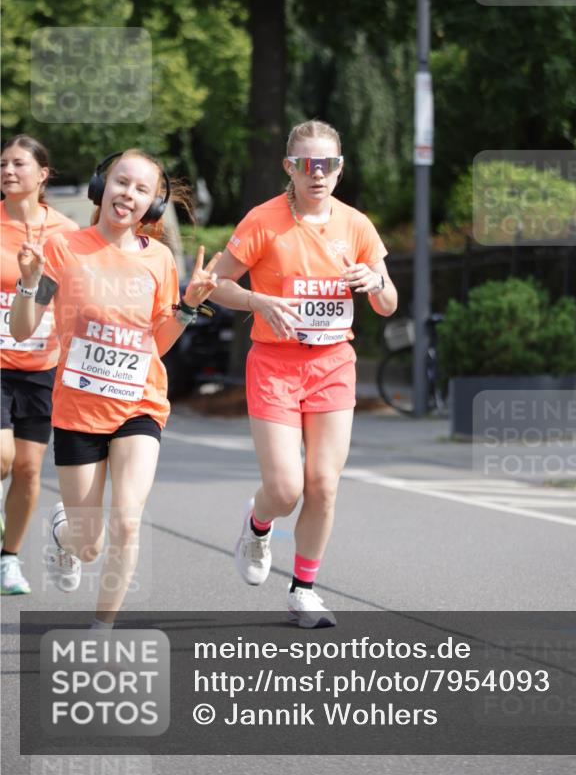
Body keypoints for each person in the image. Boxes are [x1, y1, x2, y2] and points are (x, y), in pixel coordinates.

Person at [10, 149, 220, 627]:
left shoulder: (161, 260)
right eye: (122, 182)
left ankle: (101, 629)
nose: (129, 194)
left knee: (127, 521)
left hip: (139, 404)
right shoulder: (64, 250)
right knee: (90, 545)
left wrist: (187, 305)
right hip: (77, 410)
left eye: (142, 189)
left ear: (153, 205)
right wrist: (28, 282)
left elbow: (158, 343)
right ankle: (65, 534)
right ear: (102, 185)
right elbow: (24, 329)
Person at [210, 120, 398, 628]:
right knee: (287, 487)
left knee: (323, 483)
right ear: (288, 167)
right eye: (307, 165)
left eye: (328, 165)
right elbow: (213, 284)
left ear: (340, 169)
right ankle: (259, 523)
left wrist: (375, 281)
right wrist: (256, 299)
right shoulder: (264, 220)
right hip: (274, 363)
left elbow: (388, 303)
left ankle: (304, 590)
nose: (318, 175)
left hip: (333, 363)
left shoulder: (356, 225)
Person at [0, 135, 78, 595]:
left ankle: (8, 560)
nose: (8, 171)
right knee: (3, 457)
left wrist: (33, 290)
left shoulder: (65, 232)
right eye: (3, 164)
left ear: (43, 174)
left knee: (29, 468)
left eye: (18, 164)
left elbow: (70, 293)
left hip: (42, 364)